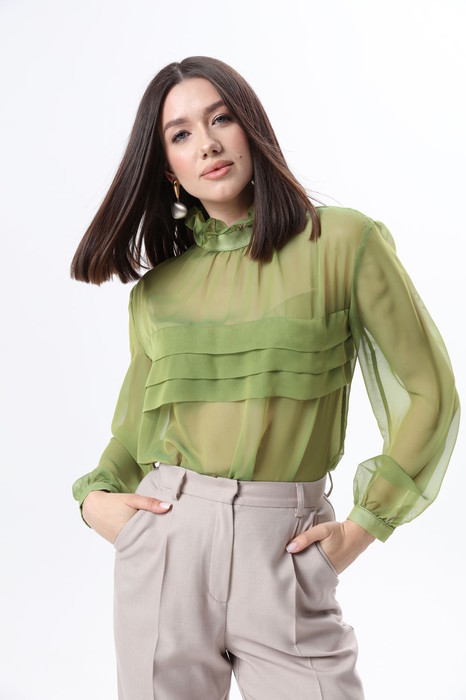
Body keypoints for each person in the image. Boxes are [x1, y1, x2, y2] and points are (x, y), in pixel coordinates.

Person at [71, 56, 460, 700]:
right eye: (181, 134)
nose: (208, 143)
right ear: (168, 169)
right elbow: (135, 436)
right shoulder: (157, 295)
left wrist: (360, 529)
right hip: (167, 550)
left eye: (221, 118)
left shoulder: (343, 243)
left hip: (287, 552)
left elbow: (431, 395)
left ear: (251, 128)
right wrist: (94, 500)